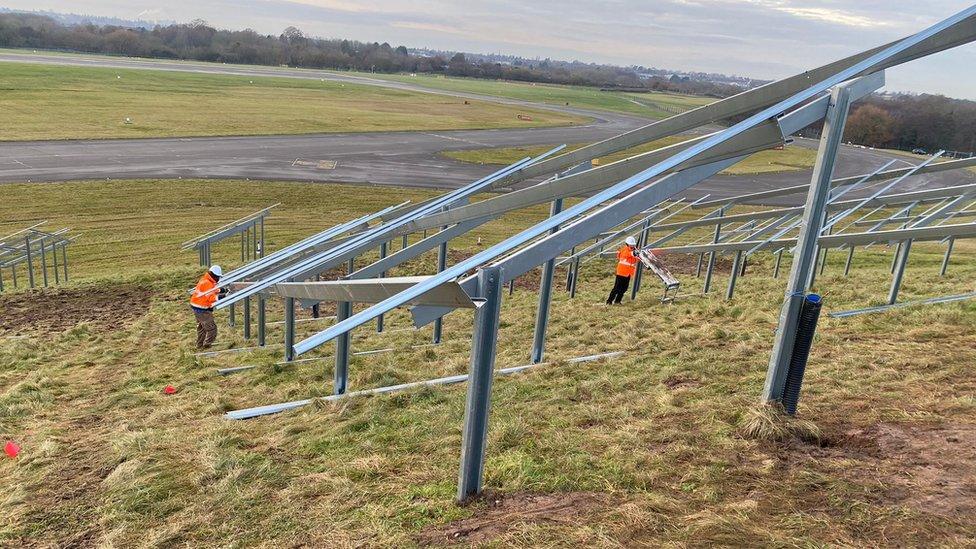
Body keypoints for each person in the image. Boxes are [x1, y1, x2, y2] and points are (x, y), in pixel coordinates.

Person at [190, 265, 227, 349]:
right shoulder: (207, 283)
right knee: (211, 328)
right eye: (218, 277)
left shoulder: (206, 280)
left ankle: (199, 345)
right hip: (202, 309)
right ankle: (206, 345)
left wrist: (221, 290)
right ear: (215, 275)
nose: (218, 279)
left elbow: (211, 290)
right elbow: (210, 297)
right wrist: (222, 296)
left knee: (202, 328)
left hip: (197, 307)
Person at [606, 236, 639, 305]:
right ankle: (609, 301)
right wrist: (634, 253)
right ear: (627, 244)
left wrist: (637, 254)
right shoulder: (625, 250)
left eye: (633, 245)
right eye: (631, 244)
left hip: (628, 273)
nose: (632, 246)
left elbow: (636, 259)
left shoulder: (634, 251)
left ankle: (617, 301)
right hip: (621, 272)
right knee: (616, 288)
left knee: (624, 288)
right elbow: (627, 254)